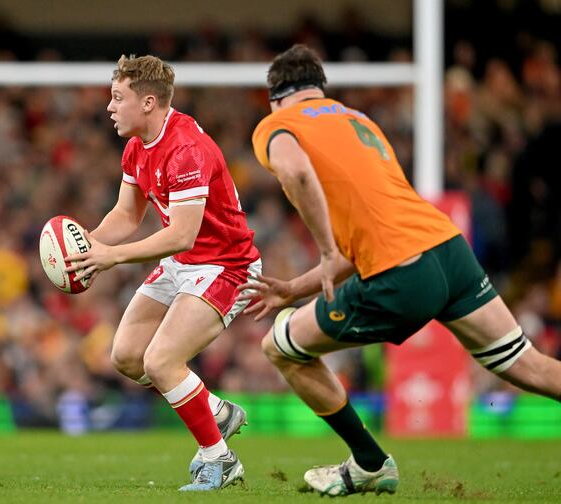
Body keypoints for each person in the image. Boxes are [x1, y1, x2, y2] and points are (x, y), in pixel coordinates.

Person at [238, 44, 561, 497]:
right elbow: (375, 230)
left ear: (275, 97)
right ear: (320, 89)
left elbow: (296, 174)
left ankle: (369, 463)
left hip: (403, 271)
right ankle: (367, 463)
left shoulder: (277, 125)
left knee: (281, 347)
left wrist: (326, 250)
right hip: (448, 250)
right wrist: (295, 287)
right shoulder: (359, 121)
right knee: (527, 365)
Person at [65, 54, 262, 491]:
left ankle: (220, 460)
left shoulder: (185, 149)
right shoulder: (137, 146)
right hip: (185, 264)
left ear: (148, 101)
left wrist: (113, 259)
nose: (110, 107)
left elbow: (182, 235)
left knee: (161, 360)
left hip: (226, 266)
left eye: (118, 97)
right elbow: (126, 214)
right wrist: (89, 247)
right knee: (127, 357)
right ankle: (216, 411)